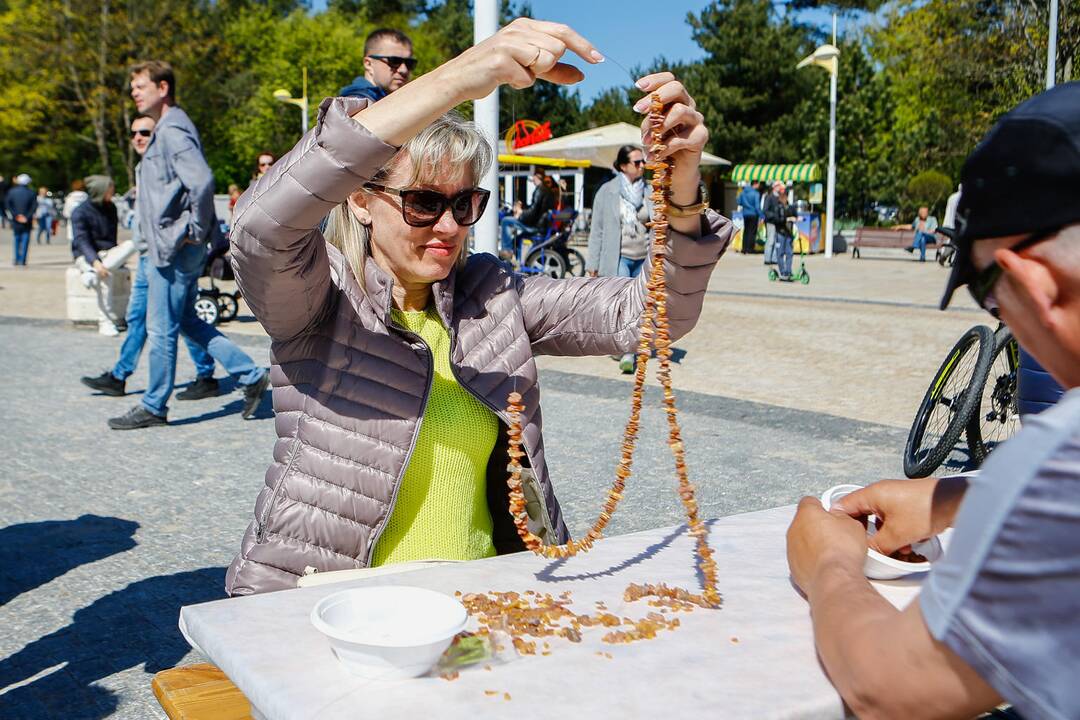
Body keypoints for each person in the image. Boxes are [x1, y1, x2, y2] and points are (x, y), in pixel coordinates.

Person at [223, 18, 730, 595]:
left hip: (482, 606)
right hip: (333, 611)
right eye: (422, 202)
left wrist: (682, 193)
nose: (448, 227)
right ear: (360, 201)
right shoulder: (319, 297)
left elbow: (650, 315)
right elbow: (261, 229)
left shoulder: (490, 297)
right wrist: (463, 77)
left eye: (465, 204)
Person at [786, 81, 1080, 720]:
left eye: (989, 298)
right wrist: (958, 498)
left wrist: (828, 567)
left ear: (1037, 284)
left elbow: (888, 688)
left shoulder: (1062, 459)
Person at [108, 60, 268, 430]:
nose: (134, 92)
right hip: (171, 245)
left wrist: (193, 229)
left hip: (173, 248)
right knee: (184, 320)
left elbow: (201, 181)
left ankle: (153, 405)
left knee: (162, 326)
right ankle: (250, 374)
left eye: (141, 86)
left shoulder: (173, 130)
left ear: (163, 88)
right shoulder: (168, 128)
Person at [81, 114, 217, 398]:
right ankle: (120, 375)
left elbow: (200, 188)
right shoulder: (143, 168)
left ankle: (214, 375)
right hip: (147, 255)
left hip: (169, 255)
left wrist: (194, 233)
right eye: (134, 134)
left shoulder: (166, 163)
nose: (138, 138)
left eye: (144, 131)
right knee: (138, 317)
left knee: (182, 320)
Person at [585, 144, 653, 374]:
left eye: (643, 162)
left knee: (641, 305)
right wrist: (592, 265)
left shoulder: (650, 192)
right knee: (625, 305)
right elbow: (598, 230)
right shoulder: (607, 191)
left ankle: (627, 346)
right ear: (623, 166)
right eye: (637, 162)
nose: (643, 166)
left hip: (644, 256)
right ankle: (626, 351)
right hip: (618, 257)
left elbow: (660, 226)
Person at [69, 175, 127, 335]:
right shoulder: (79, 212)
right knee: (105, 275)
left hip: (108, 254)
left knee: (132, 244)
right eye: (110, 190)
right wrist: (95, 262)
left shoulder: (111, 207)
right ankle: (105, 322)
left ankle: (91, 273)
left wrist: (114, 256)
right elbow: (81, 241)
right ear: (100, 191)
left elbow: (112, 238)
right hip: (86, 256)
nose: (113, 193)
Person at [339, 28, 414, 102]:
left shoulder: (389, 100)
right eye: (395, 61)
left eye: (409, 63)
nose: (404, 70)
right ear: (368, 64)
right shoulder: (355, 105)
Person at [499, 168, 555, 260]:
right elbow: (536, 208)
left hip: (536, 226)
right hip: (543, 224)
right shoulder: (547, 190)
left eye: (533, 176)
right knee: (518, 238)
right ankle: (518, 260)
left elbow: (534, 212)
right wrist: (523, 208)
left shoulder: (540, 190)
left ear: (537, 177)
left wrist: (520, 214)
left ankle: (507, 251)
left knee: (506, 221)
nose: (532, 178)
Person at [766, 184, 796, 280]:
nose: (784, 197)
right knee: (780, 253)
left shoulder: (790, 207)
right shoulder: (777, 207)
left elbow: (795, 215)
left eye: (785, 195)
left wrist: (796, 218)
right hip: (780, 233)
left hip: (789, 233)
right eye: (782, 195)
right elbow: (777, 219)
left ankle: (788, 271)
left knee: (789, 253)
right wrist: (786, 219)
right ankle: (783, 272)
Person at [6, 174, 37, 266]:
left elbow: (8, 205)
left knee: (16, 239)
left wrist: (16, 215)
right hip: (27, 220)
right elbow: (34, 207)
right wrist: (26, 217)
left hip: (16, 220)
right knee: (25, 239)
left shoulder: (12, 192)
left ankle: (16, 259)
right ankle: (22, 260)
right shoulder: (31, 192)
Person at [762, 180, 783, 265]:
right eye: (778, 186)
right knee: (770, 240)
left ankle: (774, 259)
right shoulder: (769, 197)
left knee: (776, 241)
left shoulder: (780, 197)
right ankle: (767, 259)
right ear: (774, 187)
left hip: (778, 222)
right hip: (771, 222)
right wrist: (775, 215)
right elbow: (765, 210)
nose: (779, 188)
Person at [736, 181, 760, 254]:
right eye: (758, 184)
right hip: (753, 214)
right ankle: (750, 249)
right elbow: (757, 206)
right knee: (752, 232)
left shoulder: (743, 192)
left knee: (746, 231)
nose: (759, 186)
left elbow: (739, 202)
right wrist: (761, 215)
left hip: (745, 213)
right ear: (755, 184)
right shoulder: (756, 193)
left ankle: (744, 248)